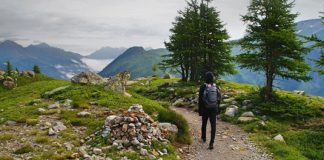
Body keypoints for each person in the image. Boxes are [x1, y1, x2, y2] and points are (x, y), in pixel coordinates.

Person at [198, 72, 221, 150]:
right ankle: (211, 143)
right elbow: (219, 98)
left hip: (205, 108)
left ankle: (203, 138)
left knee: (204, 123)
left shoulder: (203, 86)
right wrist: (218, 109)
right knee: (213, 125)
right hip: (214, 109)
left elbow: (200, 99)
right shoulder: (216, 86)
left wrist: (200, 110)